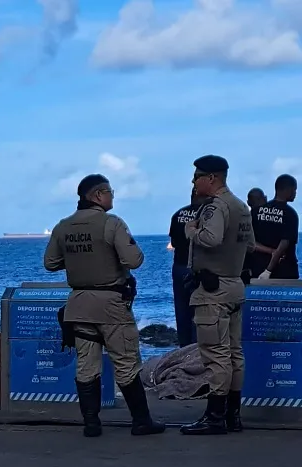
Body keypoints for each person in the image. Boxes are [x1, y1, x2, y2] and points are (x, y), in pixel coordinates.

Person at [44, 174, 165, 438]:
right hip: (111, 305)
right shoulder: (112, 224)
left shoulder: (63, 227)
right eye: (110, 191)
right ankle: (141, 421)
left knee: (86, 365)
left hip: (78, 304)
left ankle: (91, 423)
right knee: (126, 363)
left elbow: (50, 263)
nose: (113, 196)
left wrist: (79, 261)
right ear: (98, 195)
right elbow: (134, 260)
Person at [180, 155, 255, 436]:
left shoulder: (216, 207)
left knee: (216, 355)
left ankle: (214, 417)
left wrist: (192, 231)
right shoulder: (241, 206)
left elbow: (211, 239)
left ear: (211, 178)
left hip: (214, 289)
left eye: (197, 176)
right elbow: (250, 245)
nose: (193, 181)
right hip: (235, 284)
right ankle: (233, 415)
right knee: (235, 353)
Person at [169, 188, 210, 347]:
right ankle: (196, 350)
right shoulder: (208, 216)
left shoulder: (178, 214)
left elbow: (173, 242)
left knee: (182, 310)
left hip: (179, 266)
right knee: (200, 312)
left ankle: (184, 348)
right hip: (198, 267)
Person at [252, 174, 299, 280]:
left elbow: (250, 242)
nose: (295, 193)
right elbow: (284, 244)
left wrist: (269, 252)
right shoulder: (290, 214)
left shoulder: (256, 211)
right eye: (294, 190)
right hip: (285, 271)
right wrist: (268, 270)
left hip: (258, 269)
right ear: (287, 189)